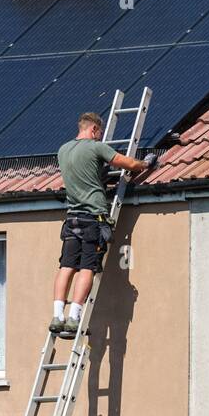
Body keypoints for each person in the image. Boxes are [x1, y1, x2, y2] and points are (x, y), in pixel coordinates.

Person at [50, 111, 155, 336]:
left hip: (71, 219)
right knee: (87, 268)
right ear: (94, 129)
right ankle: (73, 317)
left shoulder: (63, 150)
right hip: (92, 219)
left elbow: (85, 173)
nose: (99, 138)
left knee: (66, 267)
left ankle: (57, 315)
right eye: (98, 134)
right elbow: (124, 162)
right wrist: (145, 164)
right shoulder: (96, 148)